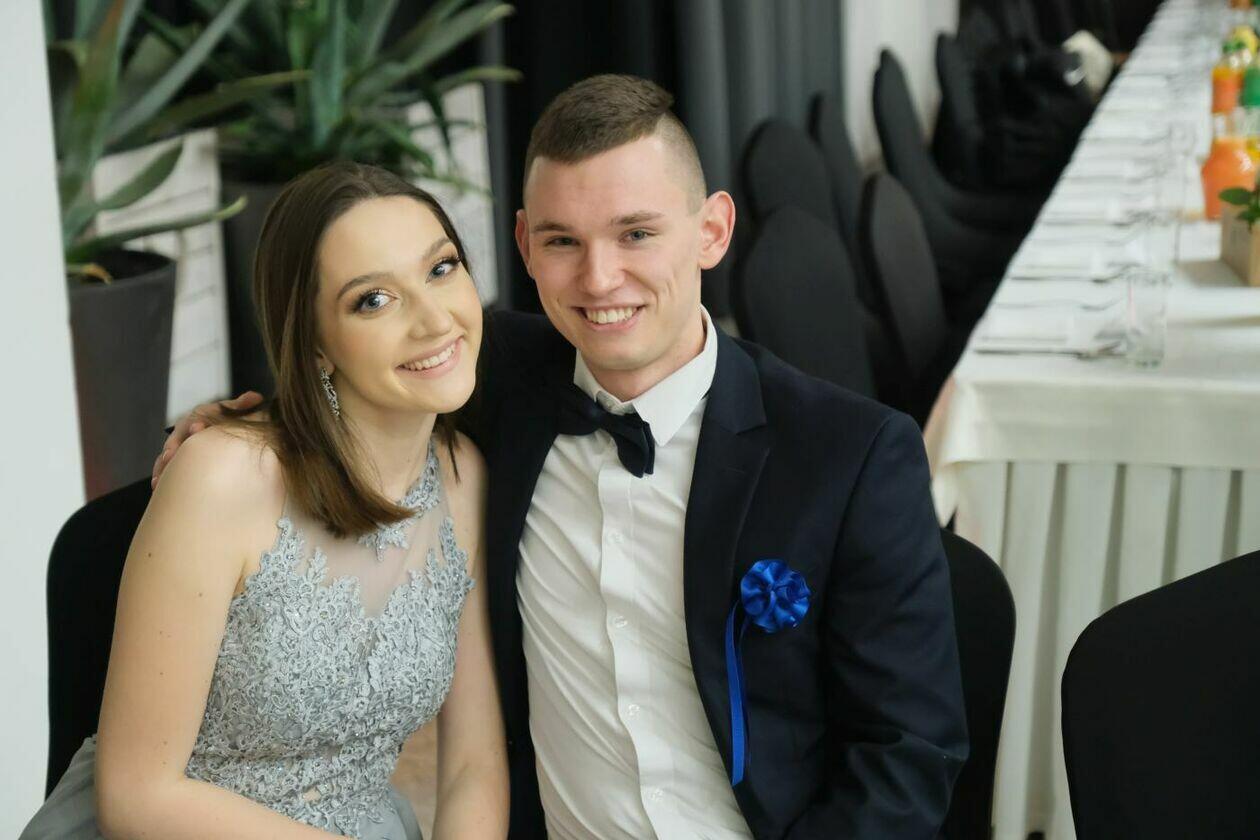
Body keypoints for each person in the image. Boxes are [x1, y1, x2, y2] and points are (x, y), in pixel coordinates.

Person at [158, 75, 968, 839]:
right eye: (562, 241)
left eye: (636, 233)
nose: (599, 278)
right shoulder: (484, 377)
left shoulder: (851, 456)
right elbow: (360, 358)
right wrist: (253, 417)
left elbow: (906, 759)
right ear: (523, 244)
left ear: (712, 231)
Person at [25, 163, 508, 839]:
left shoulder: (463, 479)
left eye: (441, 268)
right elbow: (139, 796)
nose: (434, 320)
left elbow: (472, 769)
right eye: (374, 299)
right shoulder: (224, 477)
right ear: (314, 345)